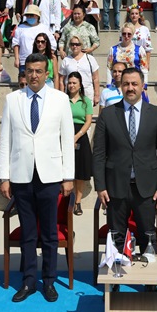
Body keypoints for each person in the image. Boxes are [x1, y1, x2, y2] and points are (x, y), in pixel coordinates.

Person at [0, 53, 74, 304]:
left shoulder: (60, 99)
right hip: (21, 175)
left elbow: (67, 140)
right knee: (28, 233)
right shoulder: (13, 99)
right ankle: (29, 281)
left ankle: (49, 281)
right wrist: (4, 176)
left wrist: (68, 176)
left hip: (50, 175)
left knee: (50, 233)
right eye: (29, 70)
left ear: (47, 73)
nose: (33, 75)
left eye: (38, 71)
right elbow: (6, 139)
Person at [93, 67, 157, 277]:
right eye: (126, 84)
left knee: (148, 236)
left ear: (143, 86)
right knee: (116, 236)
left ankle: (150, 283)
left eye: (134, 84)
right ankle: (115, 282)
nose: (130, 88)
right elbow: (99, 153)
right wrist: (100, 186)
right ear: (120, 86)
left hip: (147, 188)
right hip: (115, 187)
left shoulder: (156, 114)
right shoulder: (108, 114)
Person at [66, 72, 93, 216]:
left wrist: (76, 136)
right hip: (65, 134)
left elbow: (88, 121)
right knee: (67, 169)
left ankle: (77, 202)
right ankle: (66, 201)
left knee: (80, 171)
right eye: (69, 82)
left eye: (74, 83)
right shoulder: (63, 100)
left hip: (80, 136)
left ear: (80, 85)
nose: (71, 85)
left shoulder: (86, 101)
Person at [12, 4, 57, 72]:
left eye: (31, 15)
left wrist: (46, 57)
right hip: (24, 62)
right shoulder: (20, 28)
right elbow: (16, 44)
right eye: (27, 15)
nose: (29, 17)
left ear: (37, 16)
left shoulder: (44, 28)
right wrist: (16, 59)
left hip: (40, 62)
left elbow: (53, 45)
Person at [59, 35, 100, 105]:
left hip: (87, 93)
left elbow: (96, 78)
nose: (75, 46)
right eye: (72, 44)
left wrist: (97, 95)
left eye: (77, 44)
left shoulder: (90, 59)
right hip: (70, 94)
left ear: (81, 45)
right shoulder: (66, 60)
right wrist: (62, 95)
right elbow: (61, 80)